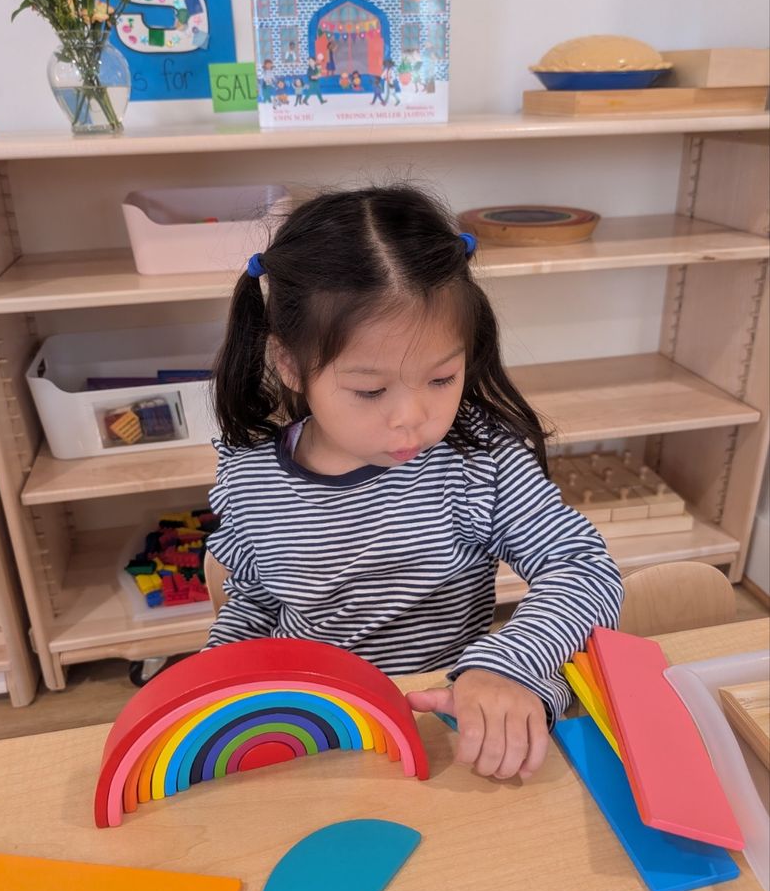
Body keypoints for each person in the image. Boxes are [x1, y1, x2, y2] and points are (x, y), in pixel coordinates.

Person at [206, 185, 623, 781]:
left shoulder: (480, 459)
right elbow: (255, 599)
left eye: (442, 378)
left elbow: (583, 569)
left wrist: (507, 665)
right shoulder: (250, 475)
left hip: (449, 720)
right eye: (370, 390)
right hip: (317, 729)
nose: (411, 418)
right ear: (290, 364)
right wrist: (213, 679)